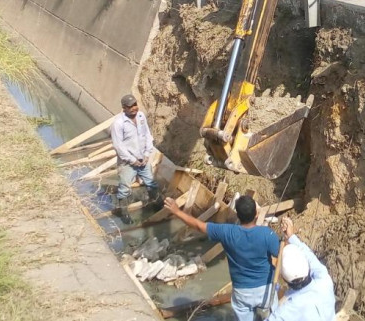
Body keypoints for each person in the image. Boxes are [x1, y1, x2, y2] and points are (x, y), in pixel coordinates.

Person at [164, 194, 280, 321]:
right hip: (266, 288)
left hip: (242, 292)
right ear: (256, 214)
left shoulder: (226, 231)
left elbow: (198, 225)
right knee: (276, 316)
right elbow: (281, 255)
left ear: (238, 215)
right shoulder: (267, 234)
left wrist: (176, 211)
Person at [265, 216, 336, 321]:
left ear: (284, 279)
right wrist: (291, 236)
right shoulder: (324, 281)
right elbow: (310, 257)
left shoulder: (288, 309)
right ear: (307, 267)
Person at [110, 93, 160, 225]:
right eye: (130, 106)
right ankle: (124, 213)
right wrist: (132, 160)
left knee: (151, 183)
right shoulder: (118, 124)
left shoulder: (141, 116)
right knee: (125, 188)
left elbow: (147, 135)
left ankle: (155, 204)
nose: (133, 108)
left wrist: (147, 154)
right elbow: (118, 146)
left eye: (135, 105)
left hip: (143, 159)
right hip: (127, 163)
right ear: (124, 108)